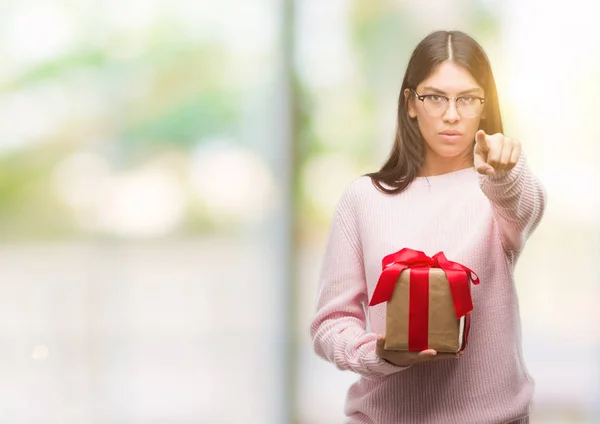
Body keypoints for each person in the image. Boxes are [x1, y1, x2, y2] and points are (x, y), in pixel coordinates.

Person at [309, 30, 547, 424]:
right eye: (435, 97)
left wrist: (505, 174)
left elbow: (525, 210)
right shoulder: (363, 199)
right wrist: (378, 354)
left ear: (485, 107)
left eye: (467, 99)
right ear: (411, 103)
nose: (451, 114)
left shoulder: (498, 190)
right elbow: (331, 324)